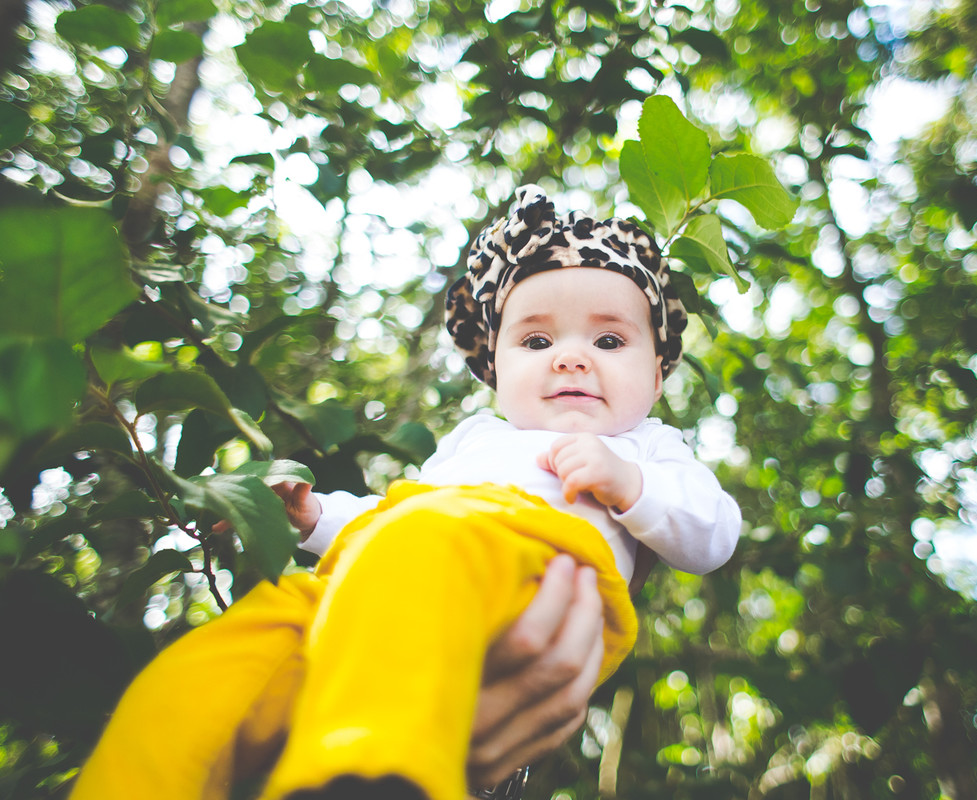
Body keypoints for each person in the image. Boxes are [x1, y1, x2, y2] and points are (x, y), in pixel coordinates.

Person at [70, 186, 740, 800]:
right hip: (373, 585)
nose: (570, 356)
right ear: (495, 368)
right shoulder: (473, 440)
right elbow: (399, 517)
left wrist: (631, 487)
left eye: (608, 339)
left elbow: (713, 534)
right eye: (536, 339)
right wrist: (315, 516)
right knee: (226, 659)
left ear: (655, 377)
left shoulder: (646, 445)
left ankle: (372, 775)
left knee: (419, 550)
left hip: (521, 571)